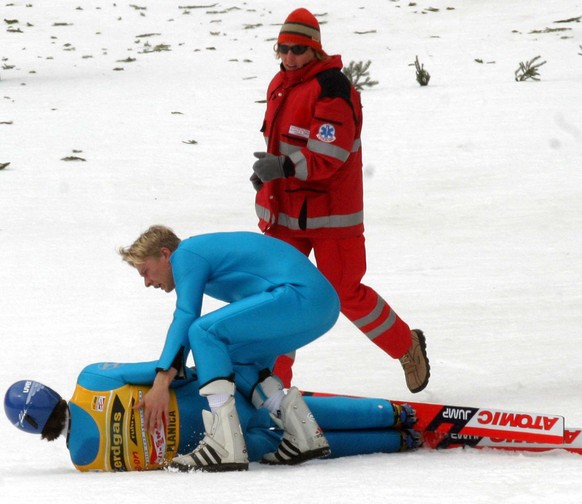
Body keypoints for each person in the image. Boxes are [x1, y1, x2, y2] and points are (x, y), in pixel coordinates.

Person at [250, 8, 430, 393]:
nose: (289, 56)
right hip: (286, 216)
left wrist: (281, 166)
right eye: (282, 48)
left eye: (298, 48)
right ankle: (273, 388)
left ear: (315, 49)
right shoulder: (280, 84)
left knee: (344, 293)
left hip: (331, 216)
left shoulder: (333, 87)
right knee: (280, 299)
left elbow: (329, 155)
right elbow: (283, 143)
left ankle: (406, 346)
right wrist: (268, 172)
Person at [116, 225, 342, 472]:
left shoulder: (186, 254)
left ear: (165, 254)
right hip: (320, 305)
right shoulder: (201, 254)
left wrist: (161, 383)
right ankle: (302, 432)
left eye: (145, 272)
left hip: (300, 296)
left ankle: (223, 444)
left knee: (203, 332)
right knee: (236, 359)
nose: (147, 283)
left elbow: (186, 315)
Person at [3, 361, 421, 472]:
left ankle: (397, 441)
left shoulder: (84, 463)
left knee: (294, 445)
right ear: (52, 393)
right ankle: (396, 413)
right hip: (217, 406)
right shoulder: (92, 380)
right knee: (300, 414)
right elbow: (167, 368)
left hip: (219, 445)